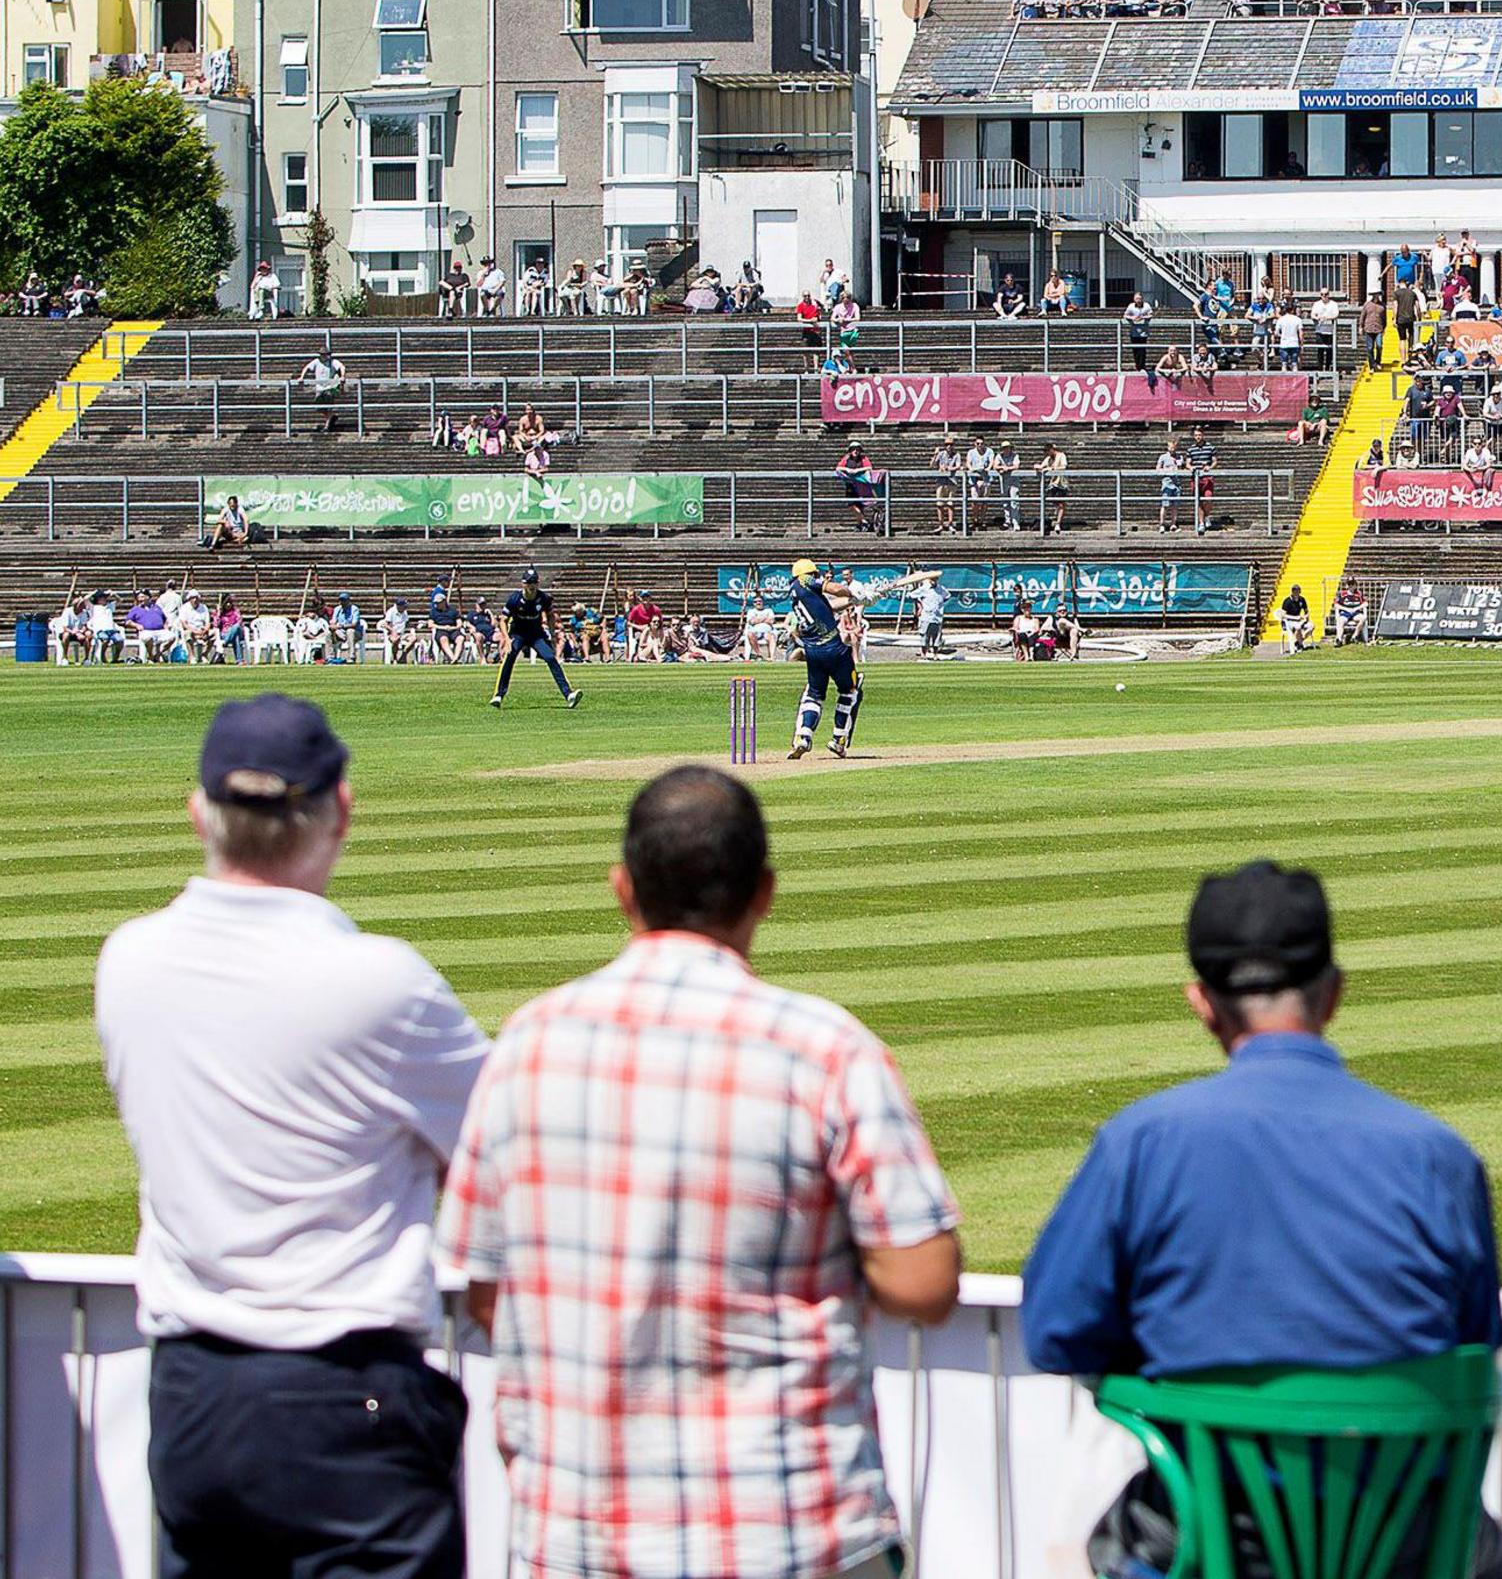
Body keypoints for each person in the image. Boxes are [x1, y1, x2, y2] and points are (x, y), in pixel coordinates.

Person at [440, 768, 962, 1579]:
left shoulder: (526, 1042)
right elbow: (925, 1278)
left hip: (581, 1526)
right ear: (764, 893)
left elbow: (484, 1286)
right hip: (787, 1524)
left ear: (623, 889)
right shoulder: (824, 1048)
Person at [1020, 861, 1502, 1579]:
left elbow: (1056, 1330)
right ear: (1334, 994)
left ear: (1201, 1003)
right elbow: (1475, 1345)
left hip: (1209, 1547)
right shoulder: (1440, 1158)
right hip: (1404, 1545)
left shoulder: (1143, 1144)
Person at [99, 696, 489, 1579]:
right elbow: (497, 1147)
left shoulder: (129, 958)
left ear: (199, 810)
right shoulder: (380, 981)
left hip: (194, 1395)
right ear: (340, 808)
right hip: (343, 1395)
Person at [788, 559, 862, 760]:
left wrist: (855, 601)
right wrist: (851, 592)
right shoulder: (805, 580)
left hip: (813, 651)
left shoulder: (797, 593)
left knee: (814, 694)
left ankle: (804, 736)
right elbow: (837, 589)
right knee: (851, 689)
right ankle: (838, 740)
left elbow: (829, 606)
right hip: (834, 647)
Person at [490, 567, 581, 710]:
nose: (532, 586)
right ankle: (499, 695)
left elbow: (550, 615)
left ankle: (568, 694)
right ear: (523, 584)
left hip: (536, 635)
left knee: (550, 658)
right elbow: (503, 620)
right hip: (518, 634)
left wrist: (551, 635)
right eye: (529, 583)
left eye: (534, 582)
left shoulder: (543, 598)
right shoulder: (514, 599)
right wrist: (507, 640)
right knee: (510, 656)